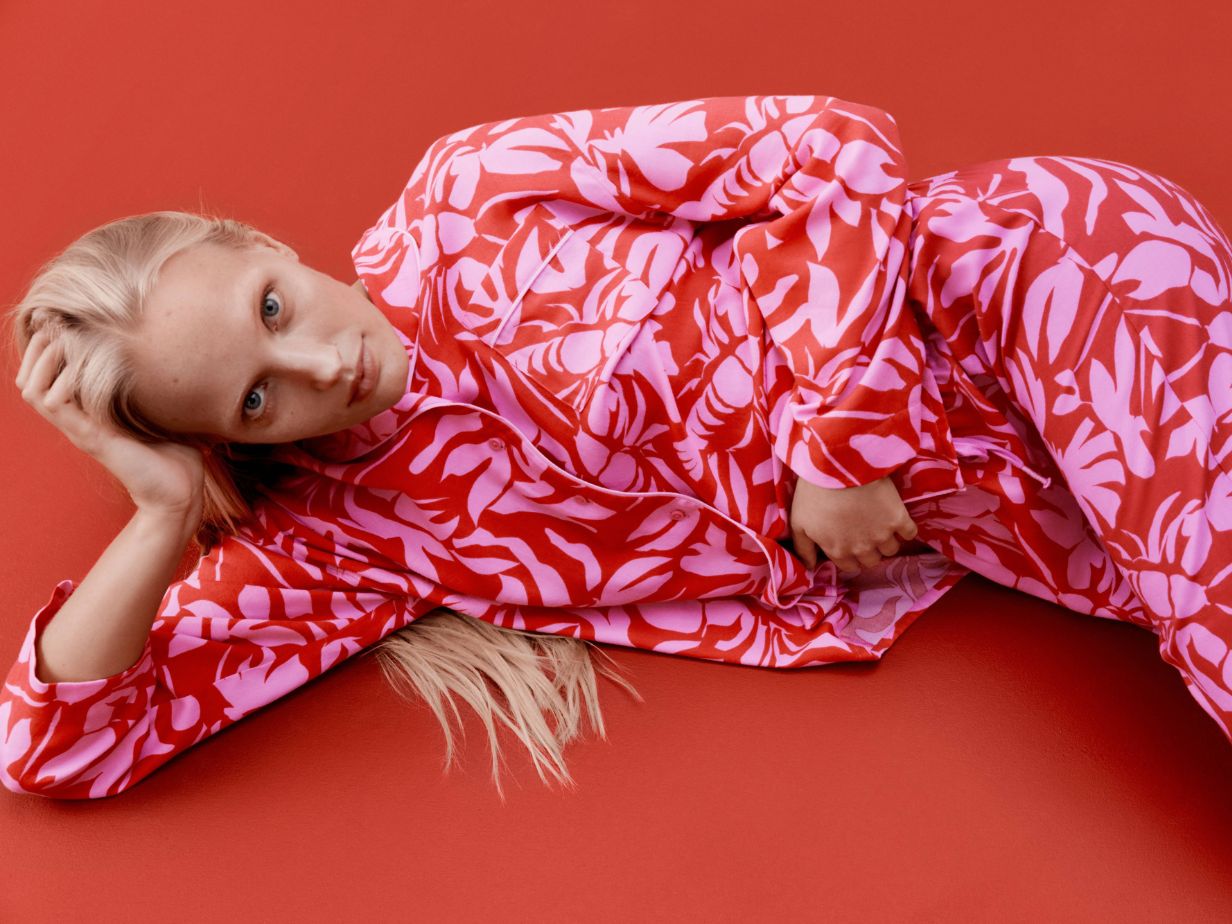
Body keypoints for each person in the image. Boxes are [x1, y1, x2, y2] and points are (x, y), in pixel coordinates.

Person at [3, 93, 1230, 801]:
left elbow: (828, 144)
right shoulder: (343, 543)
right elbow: (60, 745)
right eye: (256, 403)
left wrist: (840, 446)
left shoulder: (476, 192)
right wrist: (161, 512)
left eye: (272, 306)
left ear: (258, 238)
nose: (324, 366)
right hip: (1015, 503)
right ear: (232, 443)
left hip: (1032, 281)